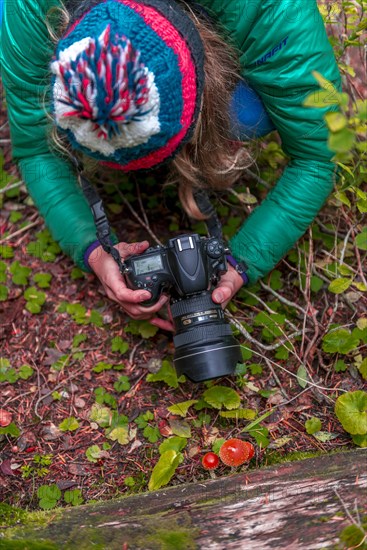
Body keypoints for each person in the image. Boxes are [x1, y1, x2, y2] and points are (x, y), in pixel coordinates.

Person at [0, 0, 341, 331]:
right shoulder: (28, 8)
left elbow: (317, 156)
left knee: (249, 114)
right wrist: (94, 251)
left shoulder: (273, 11)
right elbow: (36, 151)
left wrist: (242, 261)